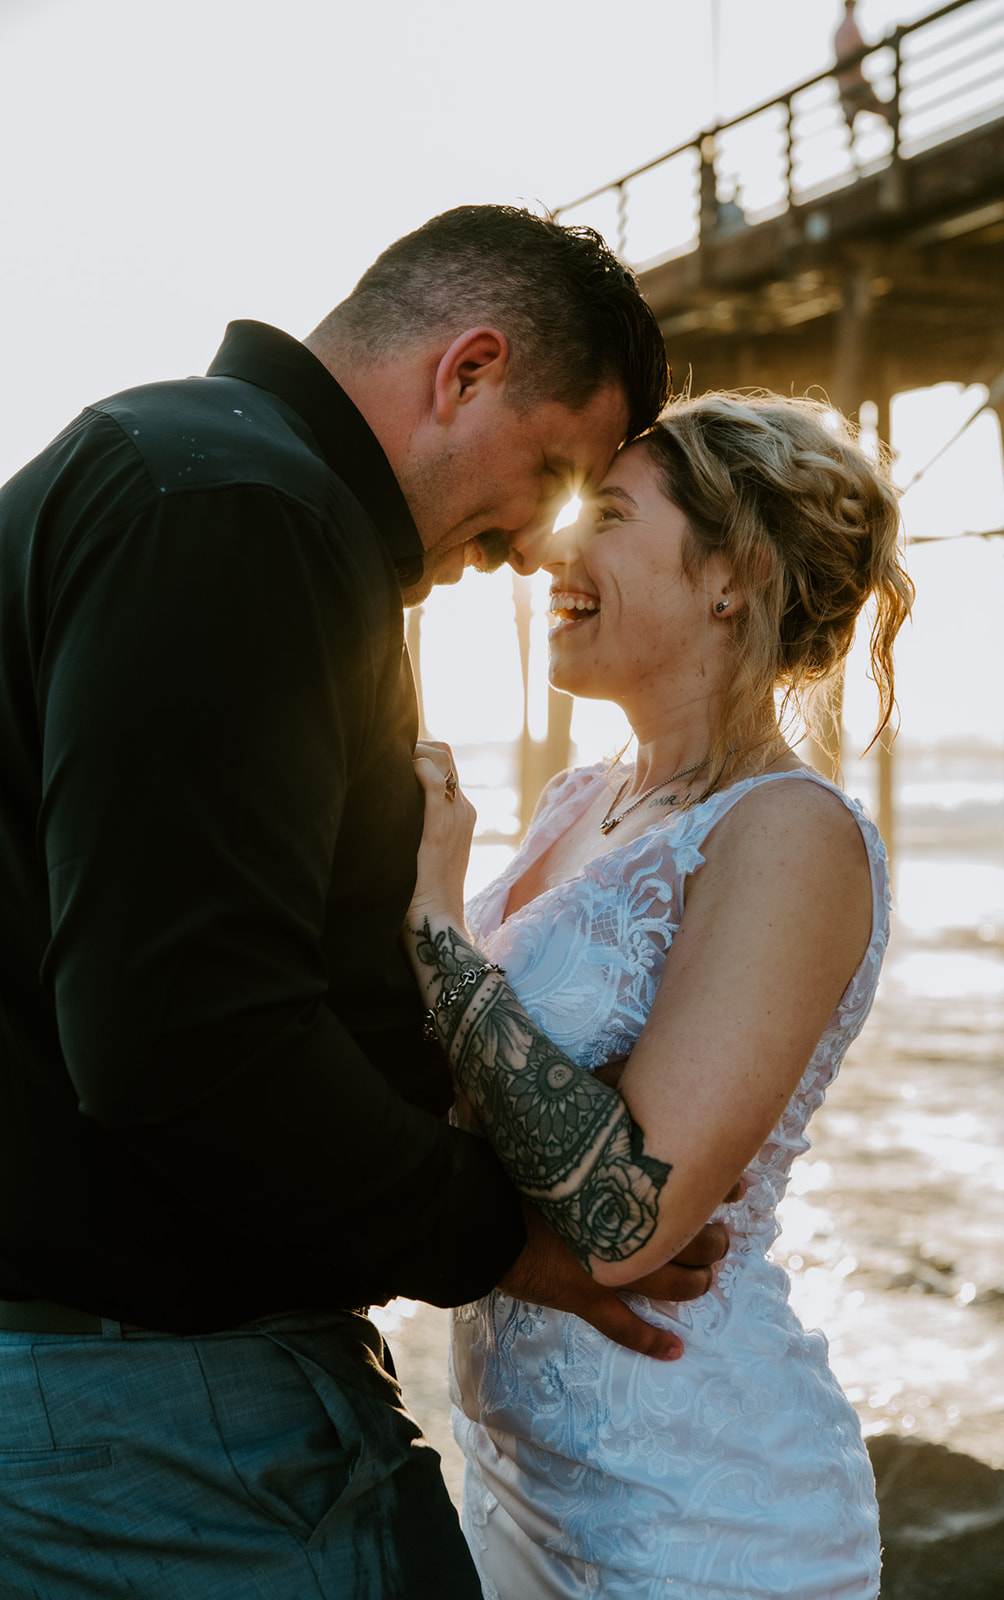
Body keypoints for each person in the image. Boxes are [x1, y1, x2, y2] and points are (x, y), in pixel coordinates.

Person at [0, 205, 731, 1600]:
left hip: (97, 1381)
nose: (534, 546)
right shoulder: (241, 516)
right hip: (166, 1413)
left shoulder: (172, 467)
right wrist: (498, 1239)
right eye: (556, 469)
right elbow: (183, 1030)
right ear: (466, 370)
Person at [404, 389, 913, 1598]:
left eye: (607, 515)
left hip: (703, 1515)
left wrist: (430, 921)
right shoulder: (583, 802)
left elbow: (627, 1217)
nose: (548, 553)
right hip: (528, 1482)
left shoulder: (791, 832)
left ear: (730, 577)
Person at [834, 0, 889, 134]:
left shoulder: (839, 31)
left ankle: (852, 150)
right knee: (887, 111)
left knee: (851, 125)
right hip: (857, 86)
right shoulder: (850, 27)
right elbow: (859, 49)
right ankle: (897, 143)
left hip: (845, 88)